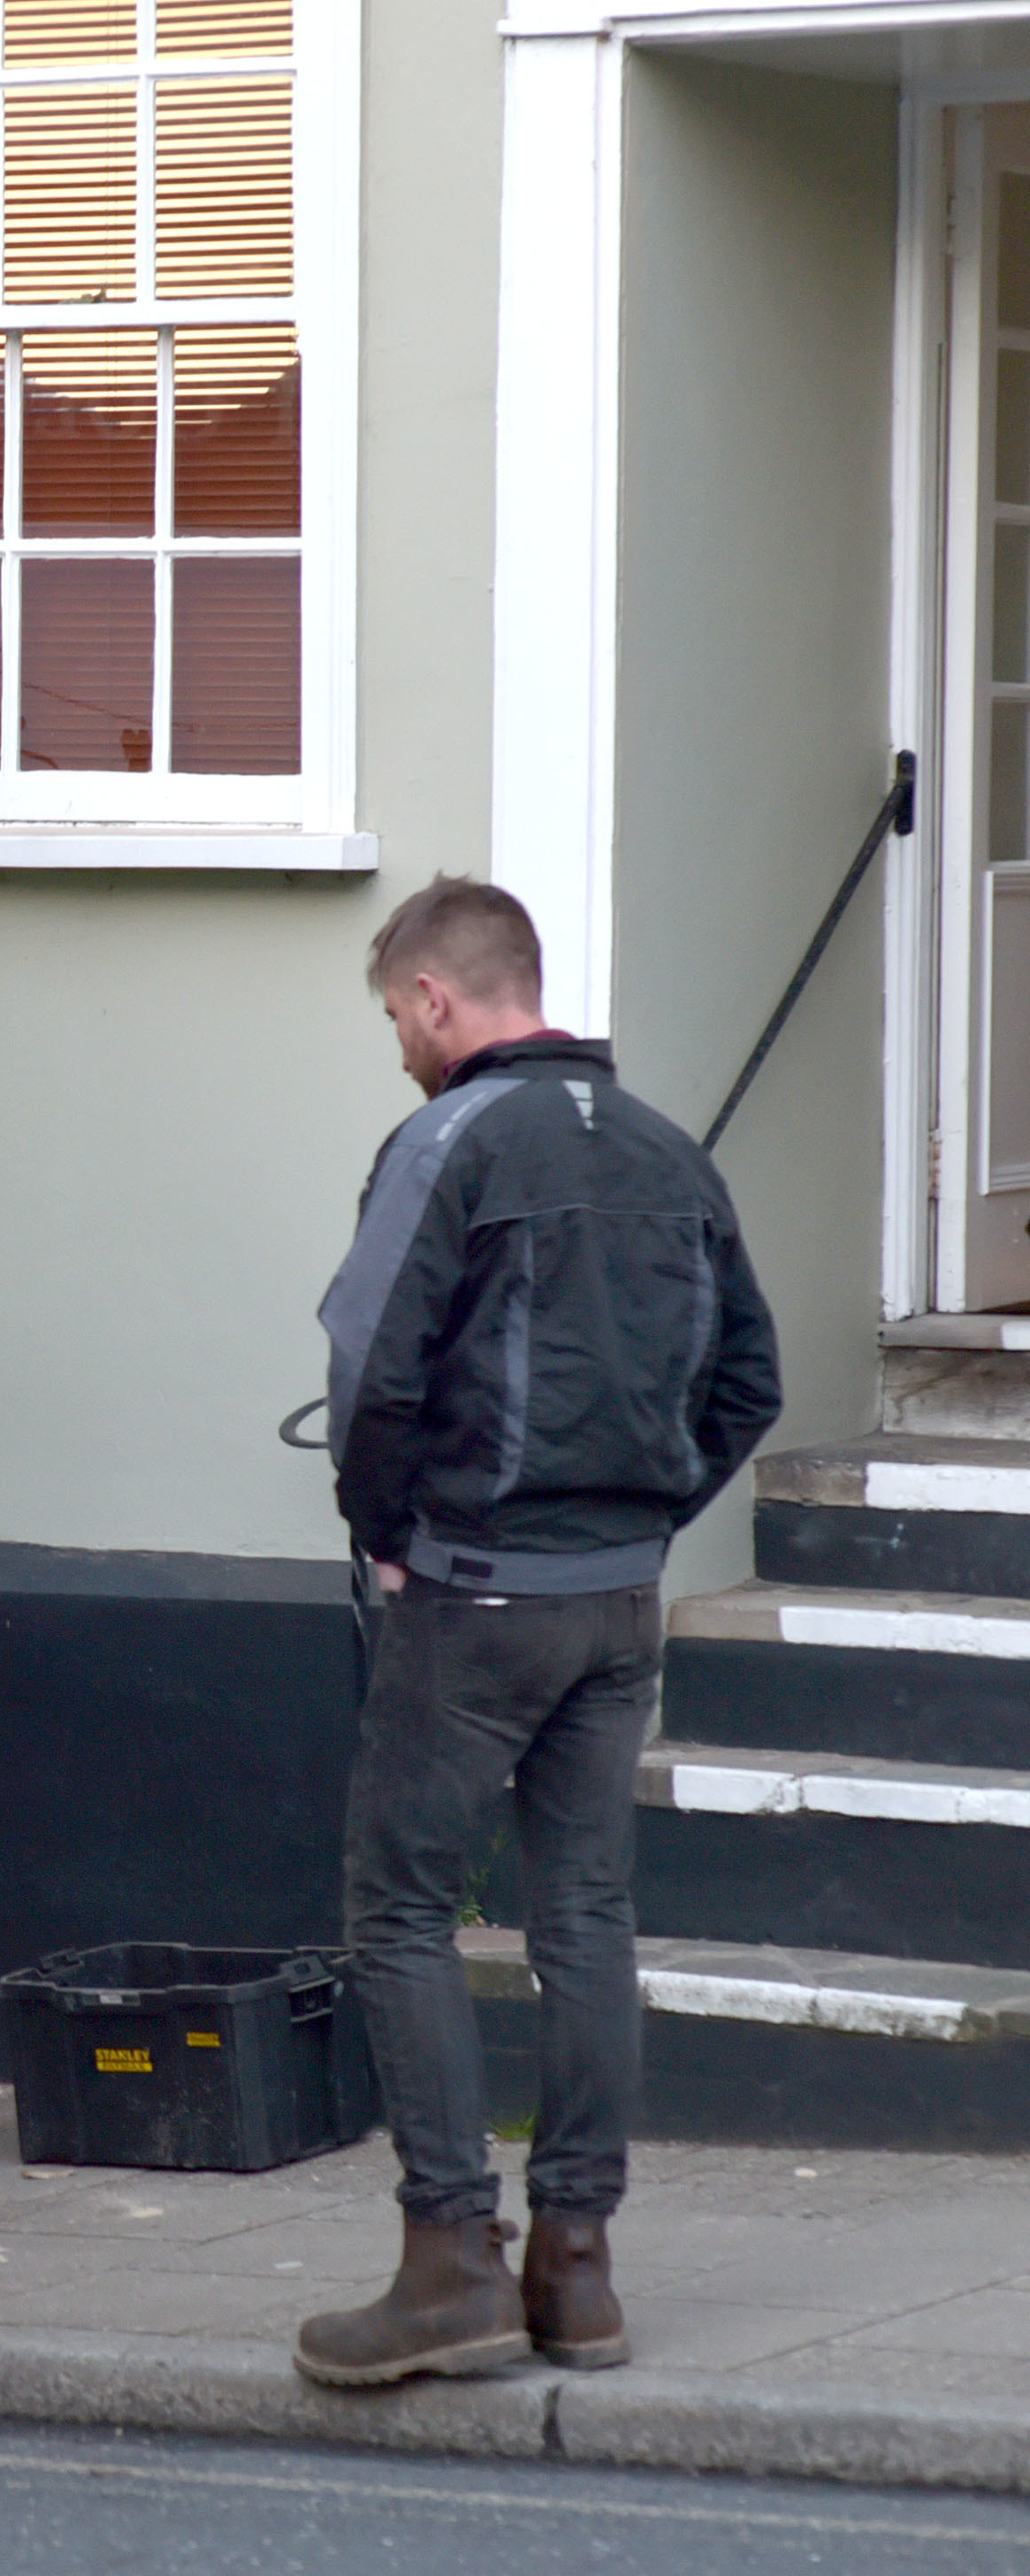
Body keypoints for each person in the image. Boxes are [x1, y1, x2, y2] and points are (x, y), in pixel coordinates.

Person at [298, 880, 779, 2389]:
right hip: (617, 1600)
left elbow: (370, 1363)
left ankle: (449, 2262)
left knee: (398, 1913)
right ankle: (576, 2271)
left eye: (393, 1016)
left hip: (473, 1592)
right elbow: (746, 1382)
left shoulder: (442, 1140)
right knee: (584, 1923)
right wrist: (643, 1515)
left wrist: (382, 1533)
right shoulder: (672, 1155)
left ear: (438, 1002)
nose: (395, 1046)